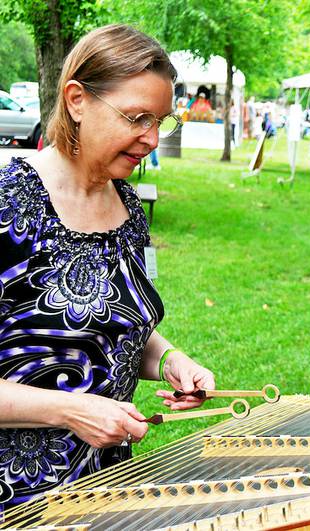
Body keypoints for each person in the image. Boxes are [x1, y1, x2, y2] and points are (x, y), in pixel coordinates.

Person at [0, 24, 215, 513]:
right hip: (17, 500)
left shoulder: (128, 206)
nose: (153, 139)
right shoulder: (7, 203)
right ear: (77, 100)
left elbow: (115, 327)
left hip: (109, 490)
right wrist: (71, 411)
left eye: (162, 121)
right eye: (137, 118)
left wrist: (169, 361)